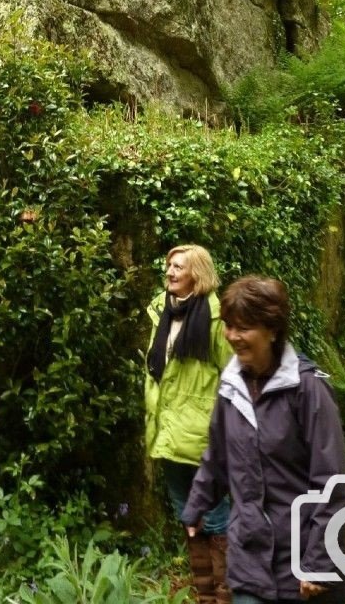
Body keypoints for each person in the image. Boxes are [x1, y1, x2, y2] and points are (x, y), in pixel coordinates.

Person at [182, 276, 345, 604]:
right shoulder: (231, 387)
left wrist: (317, 564)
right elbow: (217, 456)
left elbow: (332, 483)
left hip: (302, 563)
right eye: (229, 326)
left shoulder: (308, 390)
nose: (232, 336)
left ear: (272, 330)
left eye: (243, 328)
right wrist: (196, 508)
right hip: (249, 558)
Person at [145, 244, 233, 604]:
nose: (169, 272)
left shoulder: (217, 318)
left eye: (178, 267)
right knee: (188, 514)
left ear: (197, 274)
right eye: (168, 265)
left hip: (202, 438)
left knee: (214, 517)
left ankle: (228, 593)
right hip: (167, 433)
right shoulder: (161, 311)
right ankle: (205, 595)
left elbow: (234, 375)